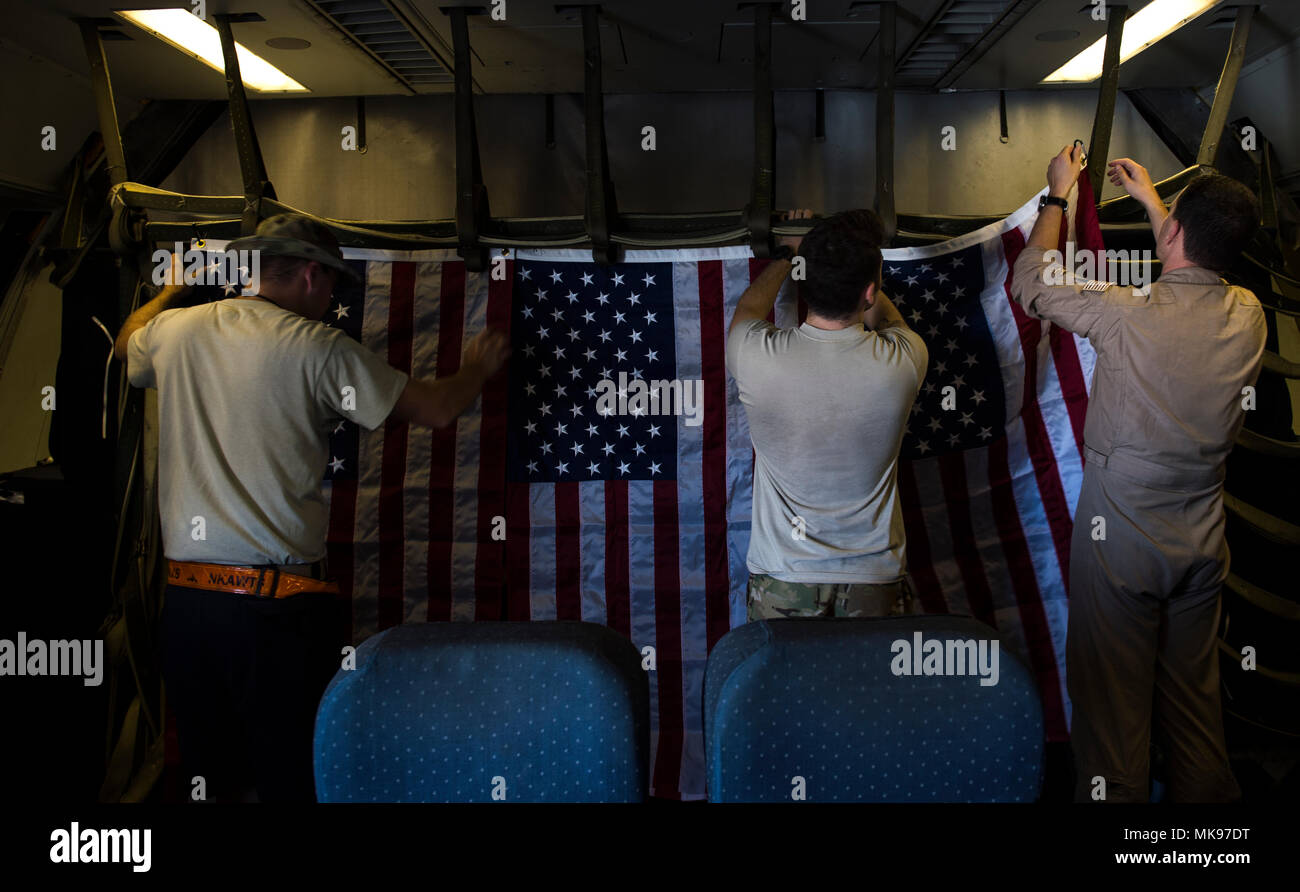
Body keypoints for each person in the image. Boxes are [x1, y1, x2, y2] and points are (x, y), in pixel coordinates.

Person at [112, 214, 510, 801]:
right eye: (331, 285)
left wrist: (173, 288)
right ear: (308, 274)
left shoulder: (177, 332)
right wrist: (477, 365)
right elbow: (435, 409)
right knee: (291, 776)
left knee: (208, 776)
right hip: (271, 614)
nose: (330, 300)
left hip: (190, 608)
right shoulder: (317, 348)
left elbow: (125, 345)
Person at [1011, 147, 1265, 802]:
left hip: (1121, 540)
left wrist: (1058, 197)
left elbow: (1032, 283)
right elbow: (1192, 270)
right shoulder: (1248, 315)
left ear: (1177, 234)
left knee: (1112, 721)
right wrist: (1158, 204)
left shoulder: (1124, 311)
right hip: (1202, 545)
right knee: (1194, 714)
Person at [726, 209, 928, 620]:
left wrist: (790, 253)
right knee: (870, 688)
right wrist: (852, 266)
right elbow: (887, 318)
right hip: (874, 577)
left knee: (784, 687)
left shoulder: (752, 353)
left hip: (783, 577)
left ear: (804, 280)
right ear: (869, 292)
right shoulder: (905, 359)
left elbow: (749, 307)